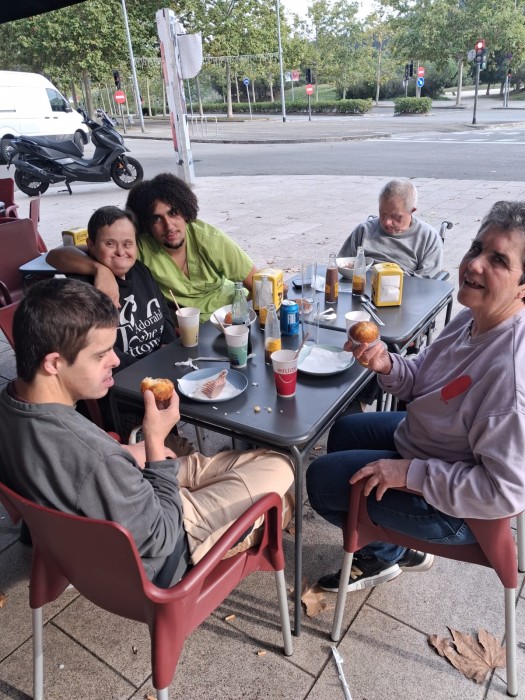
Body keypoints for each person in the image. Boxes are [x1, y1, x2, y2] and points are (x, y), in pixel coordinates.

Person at [0, 278, 294, 586]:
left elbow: (76, 464)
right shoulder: (97, 458)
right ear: (54, 363)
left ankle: (236, 498)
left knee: (252, 462)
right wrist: (153, 442)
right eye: (100, 355)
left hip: (119, 504)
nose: (115, 360)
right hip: (164, 550)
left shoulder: (13, 406)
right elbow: (161, 536)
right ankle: (264, 515)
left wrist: (127, 453)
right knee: (281, 466)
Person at [307, 200, 525, 593]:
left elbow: (502, 492)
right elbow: (424, 374)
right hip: (434, 442)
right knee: (343, 431)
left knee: (320, 480)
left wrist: (408, 473)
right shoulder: (474, 316)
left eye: (499, 260)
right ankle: (394, 545)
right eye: (476, 248)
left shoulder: (510, 376)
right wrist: (386, 364)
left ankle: (384, 556)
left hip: (456, 511)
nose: (475, 264)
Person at [339, 178, 443, 278]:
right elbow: (343, 267)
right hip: (363, 284)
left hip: (404, 287)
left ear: (412, 211)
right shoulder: (363, 231)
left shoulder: (428, 237)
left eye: (395, 216)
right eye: (383, 213)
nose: (387, 222)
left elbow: (425, 281)